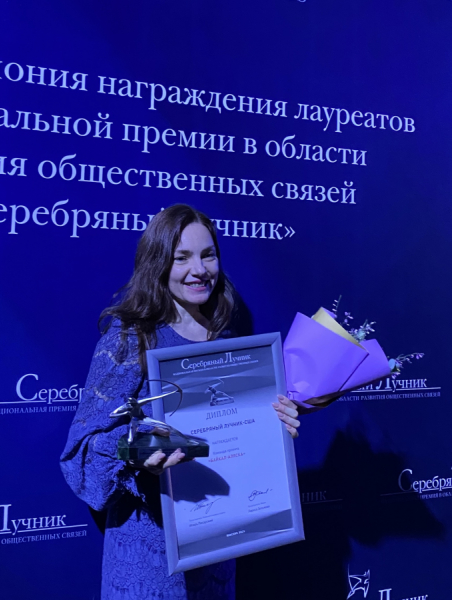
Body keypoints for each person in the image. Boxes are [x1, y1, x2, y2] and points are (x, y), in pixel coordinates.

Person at [60, 204, 301, 600]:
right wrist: (139, 448)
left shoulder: (227, 341)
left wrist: (275, 424)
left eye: (208, 255)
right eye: (182, 258)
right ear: (158, 263)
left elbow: (238, 441)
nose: (199, 270)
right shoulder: (131, 339)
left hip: (217, 546)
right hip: (150, 551)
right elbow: (80, 455)